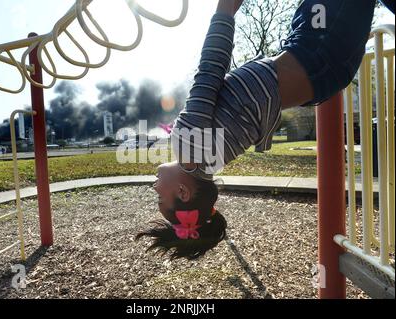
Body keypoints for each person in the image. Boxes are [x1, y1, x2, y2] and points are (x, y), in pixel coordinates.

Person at [136, 0, 392, 260]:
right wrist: (225, 11)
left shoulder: (211, 161)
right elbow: (210, 70)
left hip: (321, 66)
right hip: (319, 50)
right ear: (183, 192)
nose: (154, 187)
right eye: (160, 198)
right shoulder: (189, 146)